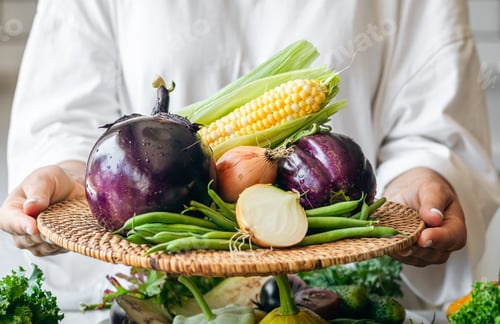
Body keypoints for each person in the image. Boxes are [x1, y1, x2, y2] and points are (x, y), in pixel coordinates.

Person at [1, 0, 499, 315]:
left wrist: (422, 178)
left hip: (335, 298)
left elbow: (431, 119)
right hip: (159, 285)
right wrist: (67, 177)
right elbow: (65, 116)